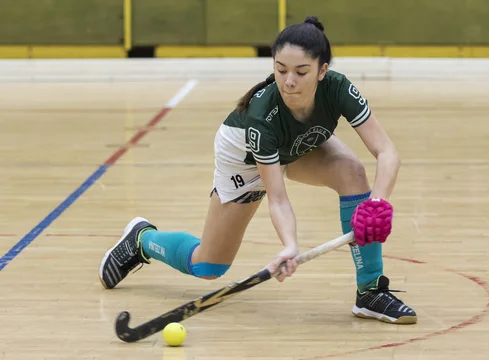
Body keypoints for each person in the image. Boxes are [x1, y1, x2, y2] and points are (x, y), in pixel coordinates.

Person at [99, 16, 417, 325]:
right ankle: (142, 240)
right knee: (208, 265)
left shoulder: (338, 89)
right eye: (281, 70)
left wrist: (377, 203)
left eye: (301, 72)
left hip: (297, 145)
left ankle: (370, 291)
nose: (289, 81)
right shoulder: (262, 117)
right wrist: (290, 245)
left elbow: (387, 151)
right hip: (246, 159)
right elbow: (276, 198)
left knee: (351, 171)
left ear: (323, 71)